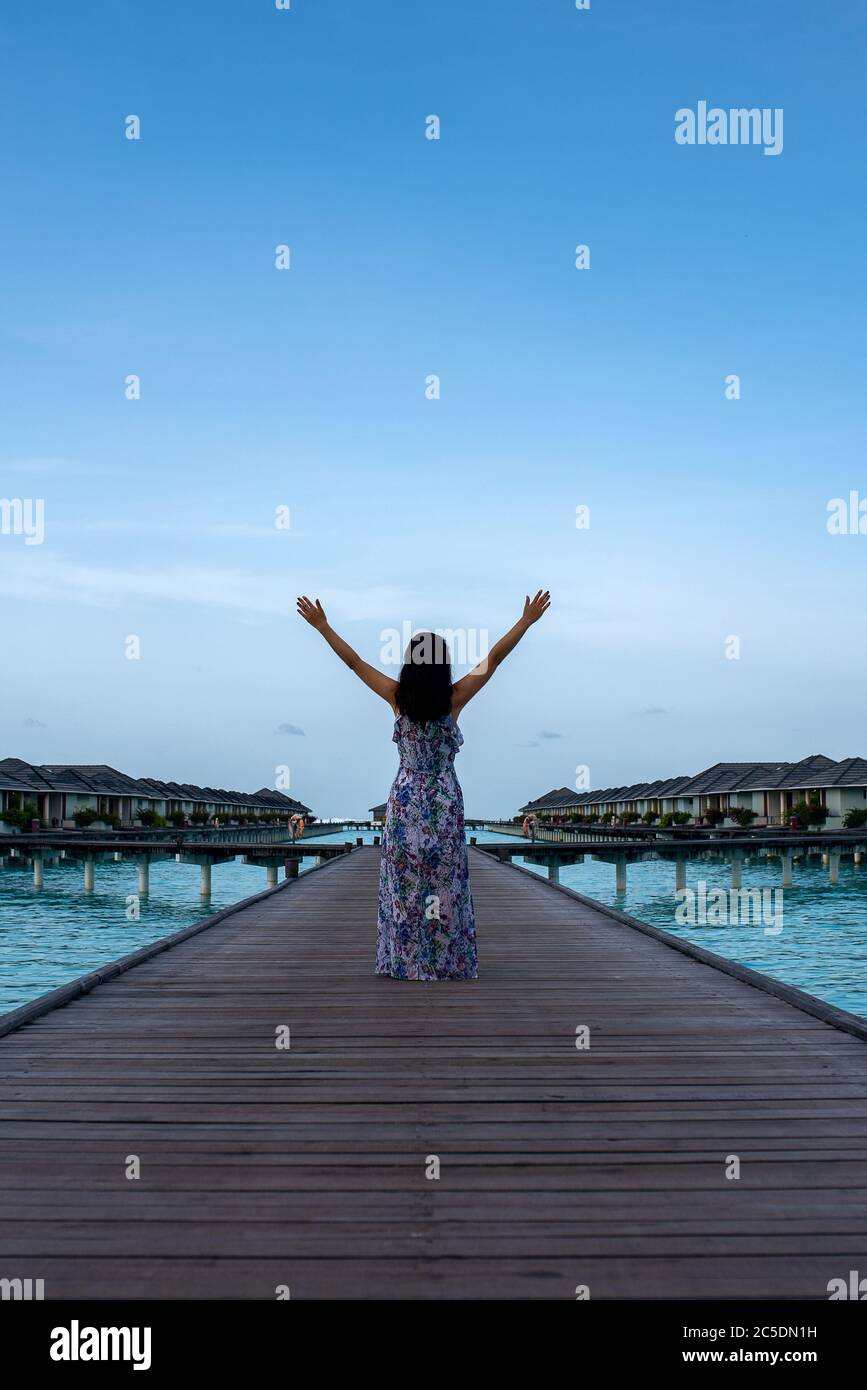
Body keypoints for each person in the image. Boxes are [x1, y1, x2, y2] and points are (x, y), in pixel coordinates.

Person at [297, 590, 551, 980]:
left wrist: (323, 627)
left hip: (405, 799)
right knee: (444, 882)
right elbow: (495, 659)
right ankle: (444, 961)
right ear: (443, 665)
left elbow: (355, 663)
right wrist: (525, 622)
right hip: (444, 800)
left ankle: (405, 961)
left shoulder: (397, 698)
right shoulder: (455, 698)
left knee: (404, 882)